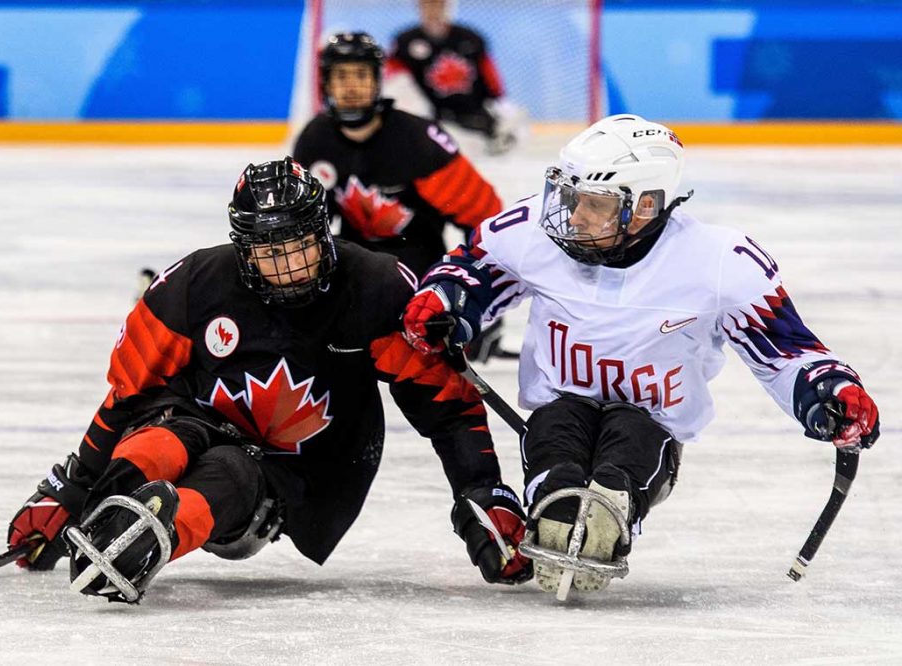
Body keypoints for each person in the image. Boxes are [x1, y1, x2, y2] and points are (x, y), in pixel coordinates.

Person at [6, 158, 532, 604]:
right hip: (192, 416)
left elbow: (446, 405)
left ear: (323, 232)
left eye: (299, 245)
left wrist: (481, 494)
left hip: (295, 471)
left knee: (229, 471)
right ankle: (108, 517)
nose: (287, 268)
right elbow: (127, 396)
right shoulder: (192, 286)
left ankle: (159, 528)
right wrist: (69, 491)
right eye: (268, 251)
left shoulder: (375, 289)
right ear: (242, 247)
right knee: (161, 442)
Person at [402, 114, 881, 597]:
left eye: (595, 204)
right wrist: (444, 298)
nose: (574, 215)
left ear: (647, 206)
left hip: (649, 426)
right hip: (559, 412)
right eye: (570, 198)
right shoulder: (532, 231)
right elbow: (473, 271)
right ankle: (552, 498)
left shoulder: (718, 262)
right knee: (558, 479)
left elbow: (786, 350)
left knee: (617, 474)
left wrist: (829, 391)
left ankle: (615, 503)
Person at [293, 30, 515, 361]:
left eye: (360, 75)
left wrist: (474, 296)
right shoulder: (315, 140)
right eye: (341, 76)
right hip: (354, 272)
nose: (351, 87)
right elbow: (305, 231)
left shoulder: (418, 140)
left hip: (421, 281)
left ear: (377, 81)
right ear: (326, 83)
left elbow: (484, 218)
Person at [386, 0, 526, 155]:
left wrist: (499, 99)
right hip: (436, 116)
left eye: (438, 5)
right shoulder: (405, 42)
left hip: (474, 112)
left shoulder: (470, 38)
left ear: (447, 7)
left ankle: (492, 136)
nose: (433, 10)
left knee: (515, 123)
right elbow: (393, 81)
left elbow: (489, 75)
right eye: (427, 5)